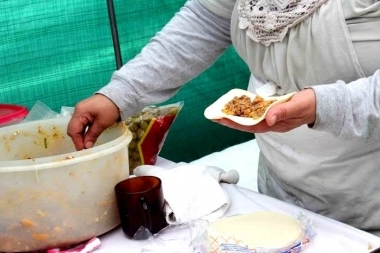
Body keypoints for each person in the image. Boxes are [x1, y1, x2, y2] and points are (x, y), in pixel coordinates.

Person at [67, 0, 380, 235]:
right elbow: (206, 20)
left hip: (368, 204)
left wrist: (324, 105)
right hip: (283, 193)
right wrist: (119, 93)